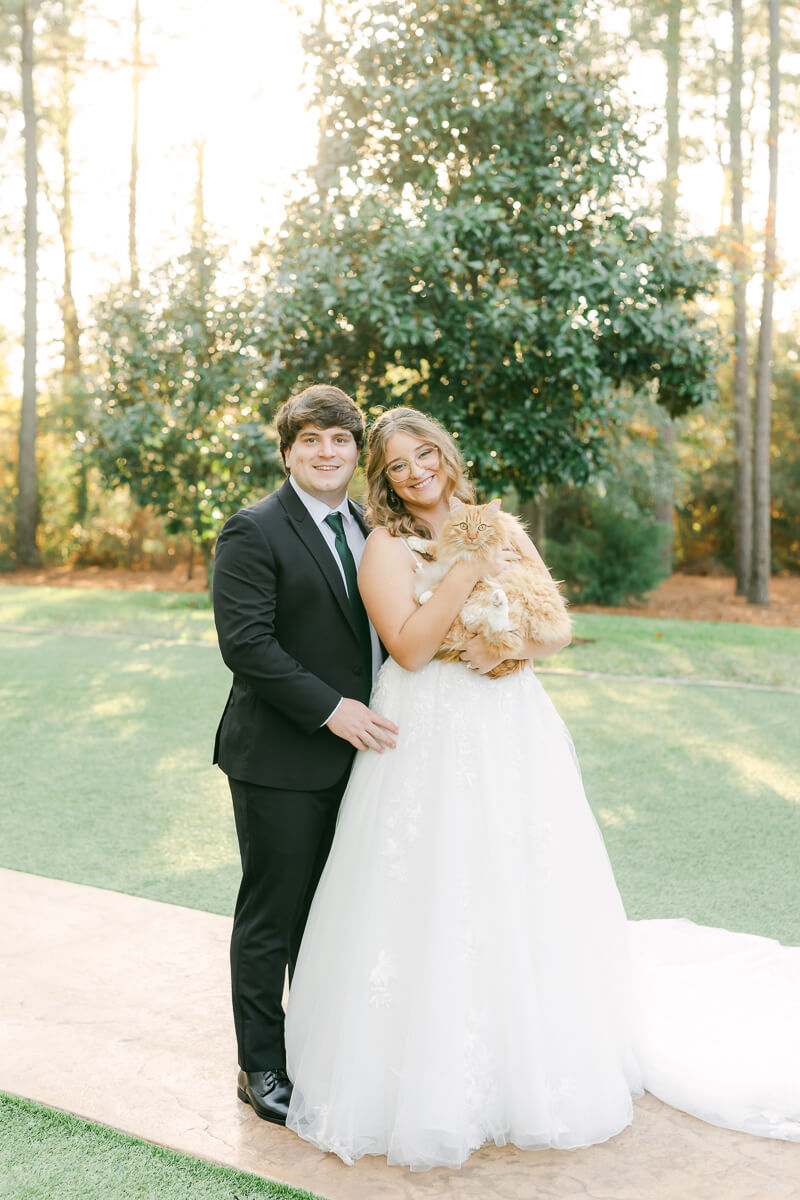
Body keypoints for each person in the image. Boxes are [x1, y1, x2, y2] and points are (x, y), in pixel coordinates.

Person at [283, 406, 800, 1170]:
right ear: (384, 480)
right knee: (428, 882)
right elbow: (412, 647)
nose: (417, 471)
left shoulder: (499, 521)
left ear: (445, 453)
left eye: (425, 454)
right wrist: (465, 569)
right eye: (398, 465)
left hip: (508, 719)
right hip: (427, 726)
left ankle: (530, 1052)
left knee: (521, 875)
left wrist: (508, 647)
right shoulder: (388, 544)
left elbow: (557, 626)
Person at [212, 384, 398, 1126]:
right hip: (279, 761)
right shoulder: (252, 530)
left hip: (360, 763)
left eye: (341, 440)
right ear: (287, 451)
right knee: (273, 917)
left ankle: (317, 1050)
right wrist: (331, 709)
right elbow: (246, 645)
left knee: (334, 915)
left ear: (357, 451)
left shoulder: (367, 524)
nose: (328, 453)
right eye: (311, 441)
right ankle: (260, 1066)